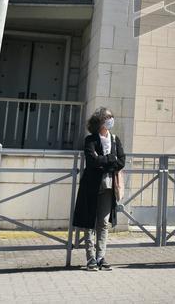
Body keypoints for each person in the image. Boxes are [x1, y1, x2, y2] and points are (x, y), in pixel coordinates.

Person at [72, 107, 125, 271]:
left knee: (103, 223)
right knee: (89, 221)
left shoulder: (115, 139)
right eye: (108, 117)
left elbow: (121, 161)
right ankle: (90, 258)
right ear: (100, 120)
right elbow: (92, 161)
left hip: (109, 185)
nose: (111, 119)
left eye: (112, 116)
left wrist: (104, 160)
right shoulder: (90, 140)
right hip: (91, 185)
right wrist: (110, 160)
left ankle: (101, 257)